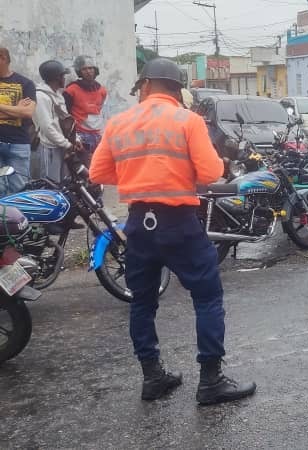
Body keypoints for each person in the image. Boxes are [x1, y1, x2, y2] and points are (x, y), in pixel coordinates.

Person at [89, 58, 256, 405]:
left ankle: (153, 378)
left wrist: (139, 176)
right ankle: (210, 381)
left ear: (146, 85)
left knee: (143, 302)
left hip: (138, 224)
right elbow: (210, 171)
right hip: (178, 222)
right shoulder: (188, 120)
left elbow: (98, 172)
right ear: (176, 89)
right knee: (207, 296)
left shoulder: (119, 122)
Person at [34, 60, 80, 183]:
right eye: (62, 76)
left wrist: (75, 140)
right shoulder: (41, 96)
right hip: (48, 146)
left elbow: (65, 121)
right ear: (56, 78)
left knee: (62, 183)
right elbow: (47, 127)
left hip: (60, 145)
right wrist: (66, 144)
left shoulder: (58, 95)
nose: (64, 79)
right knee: (50, 184)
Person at [0, 47, 36, 195]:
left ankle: (18, 218)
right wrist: (16, 110)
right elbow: (21, 112)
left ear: (3, 58)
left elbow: (27, 112)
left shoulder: (25, 83)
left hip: (19, 144)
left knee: (19, 189)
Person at [63, 55, 107, 164]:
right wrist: (73, 137)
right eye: (84, 69)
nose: (88, 71)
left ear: (95, 70)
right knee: (83, 169)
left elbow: (99, 109)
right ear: (79, 71)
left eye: (90, 68)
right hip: (80, 135)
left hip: (97, 134)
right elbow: (65, 115)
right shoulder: (71, 90)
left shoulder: (102, 90)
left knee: (97, 166)